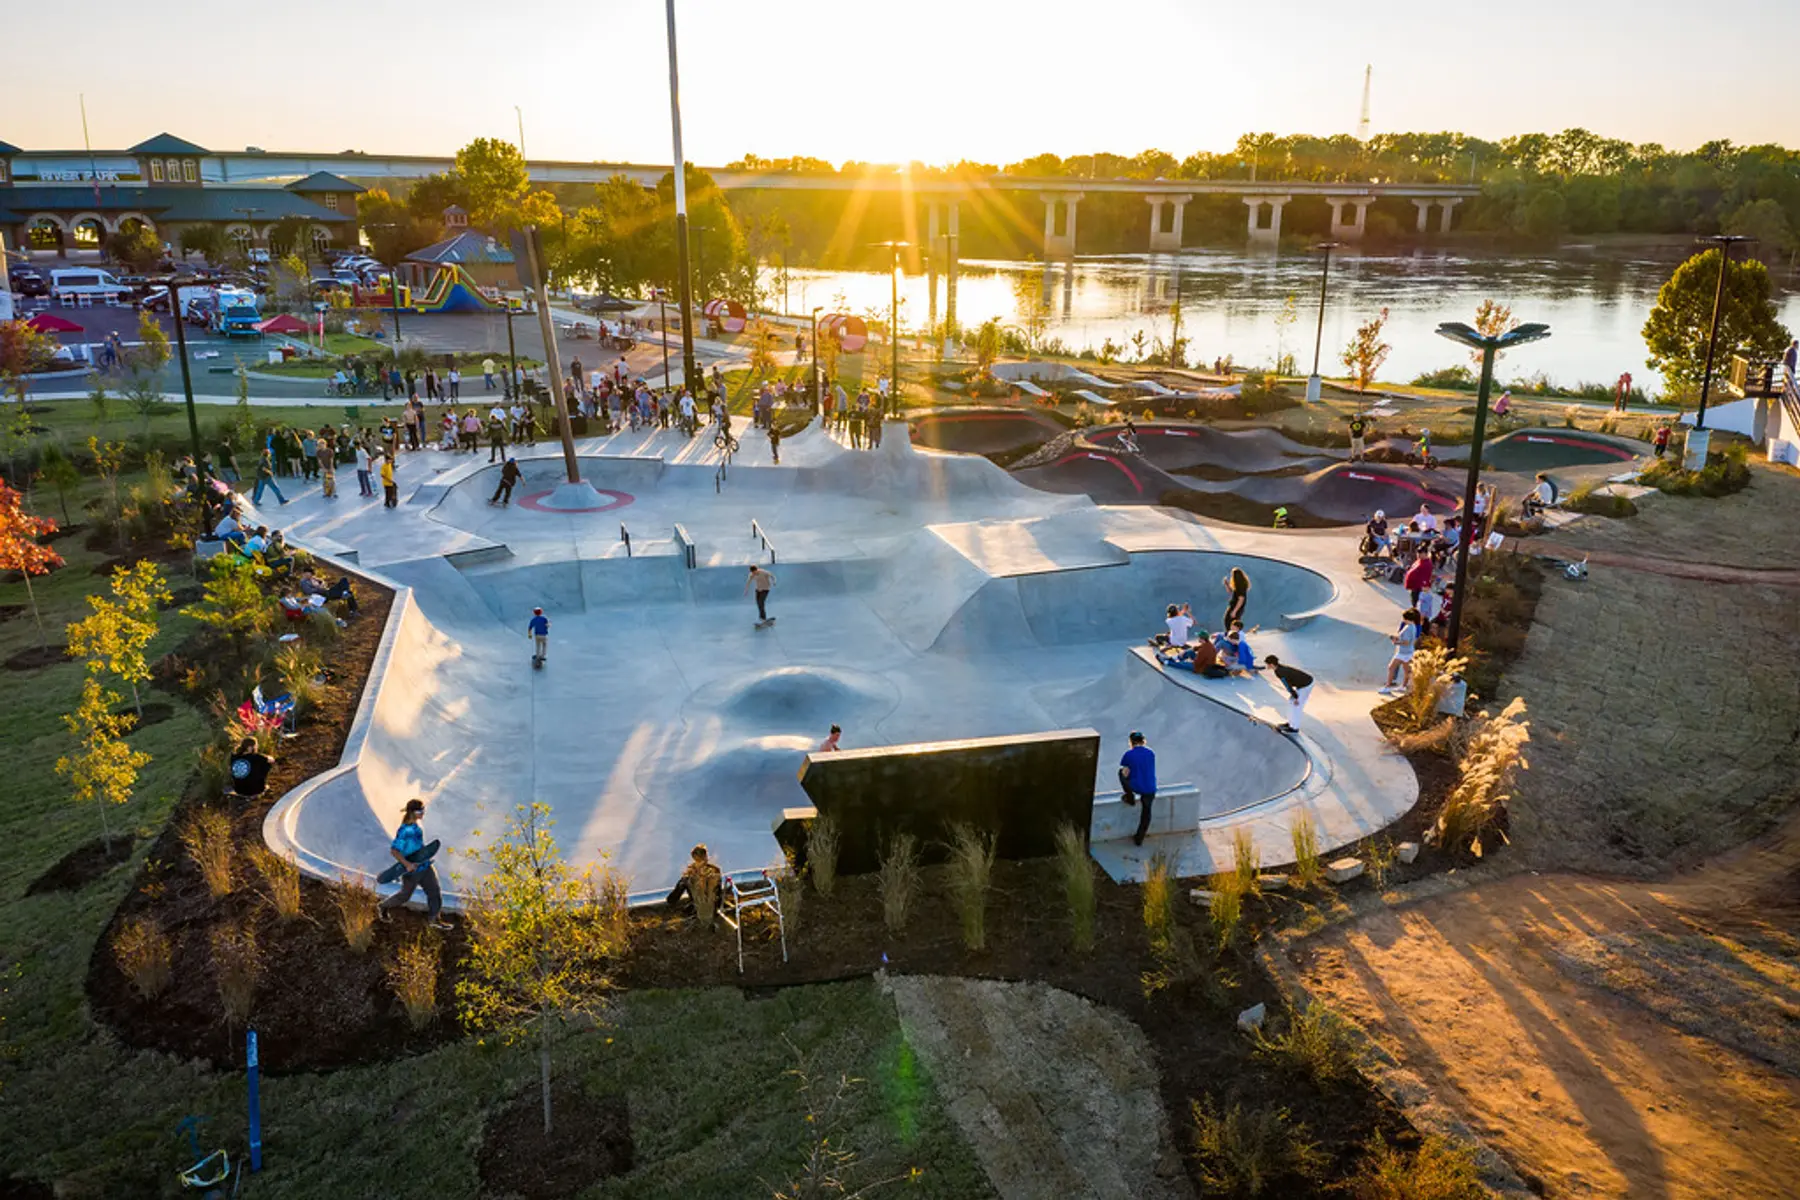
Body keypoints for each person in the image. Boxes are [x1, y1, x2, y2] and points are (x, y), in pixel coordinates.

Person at [378, 799, 451, 929]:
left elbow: (417, 847)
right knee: (404, 896)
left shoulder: (417, 827)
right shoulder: (405, 830)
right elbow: (394, 851)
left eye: (423, 810)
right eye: (421, 811)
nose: (423, 813)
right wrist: (407, 865)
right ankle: (383, 906)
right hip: (412, 870)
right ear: (414, 812)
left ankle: (434, 919)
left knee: (434, 892)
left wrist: (425, 855)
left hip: (424, 865)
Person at [1119, 731, 1157, 846]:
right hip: (1150, 787)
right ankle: (1139, 839)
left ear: (1131, 742)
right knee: (1146, 813)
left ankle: (1130, 798)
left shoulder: (1128, 754)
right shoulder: (1151, 753)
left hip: (1136, 786)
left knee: (1120, 773)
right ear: (1143, 740)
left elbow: (1125, 772)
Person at [665, 844, 722, 915]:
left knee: (684, 881)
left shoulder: (691, 872)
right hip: (714, 904)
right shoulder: (715, 869)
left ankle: (671, 902)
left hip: (703, 906)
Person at [1264, 655, 1313, 734]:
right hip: (1302, 684)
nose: (1267, 666)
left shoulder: (1280, 672)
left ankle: (1294, 728)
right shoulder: (1279, 668)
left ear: (1272, 664)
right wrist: (1294, 696)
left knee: (1297, 706)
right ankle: (1290, 723)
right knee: (1291, 702)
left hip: (1306, 685)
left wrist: (1296, 697)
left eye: (1267, 664)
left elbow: (1287, 686)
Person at [1381, 609, 1423, 695]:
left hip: (1403, 652)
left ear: (1407, 618)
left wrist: (1396, 642)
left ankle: (1387, 687)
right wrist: (1397, 638)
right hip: (1408, 652)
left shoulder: (1408, 628)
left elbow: (1406, 642)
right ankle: (1403, 686)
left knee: (1391, 667)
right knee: (1406, 670)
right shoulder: (1413, 626)